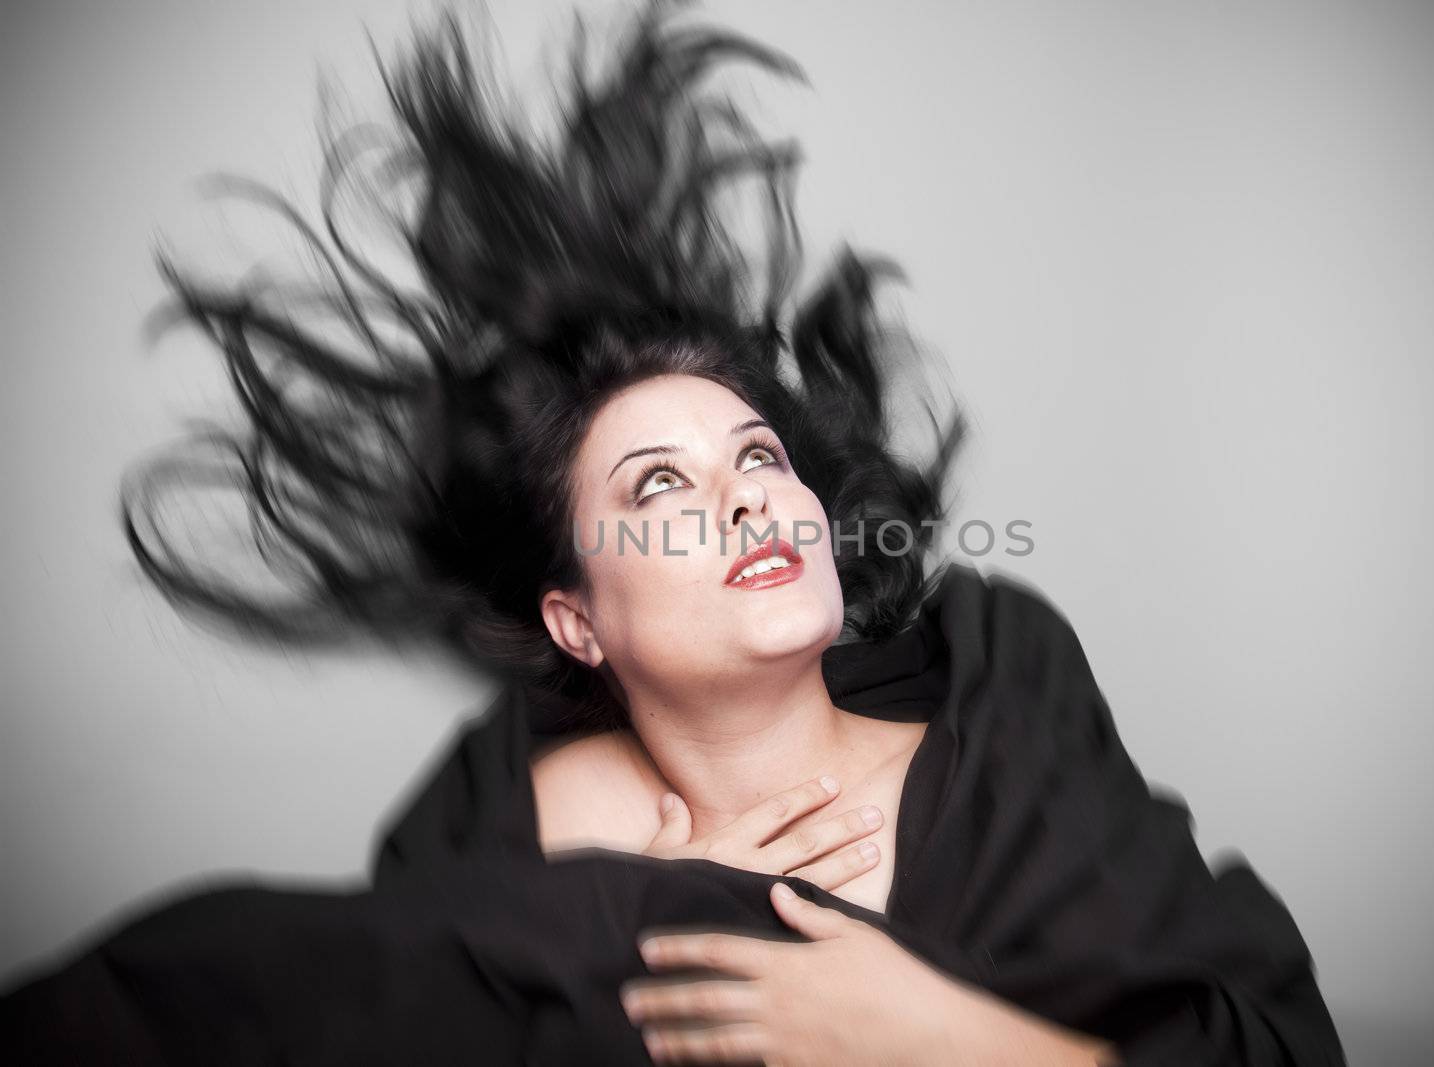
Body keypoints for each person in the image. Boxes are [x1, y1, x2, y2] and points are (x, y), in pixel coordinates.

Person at [0, 2, 1346, 1063]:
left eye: (758, 455)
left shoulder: (1009, 758)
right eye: (658, 489)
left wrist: (937, 1042)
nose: (748, 497)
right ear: (576, 619)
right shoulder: (495, 816)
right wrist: (628, 940)